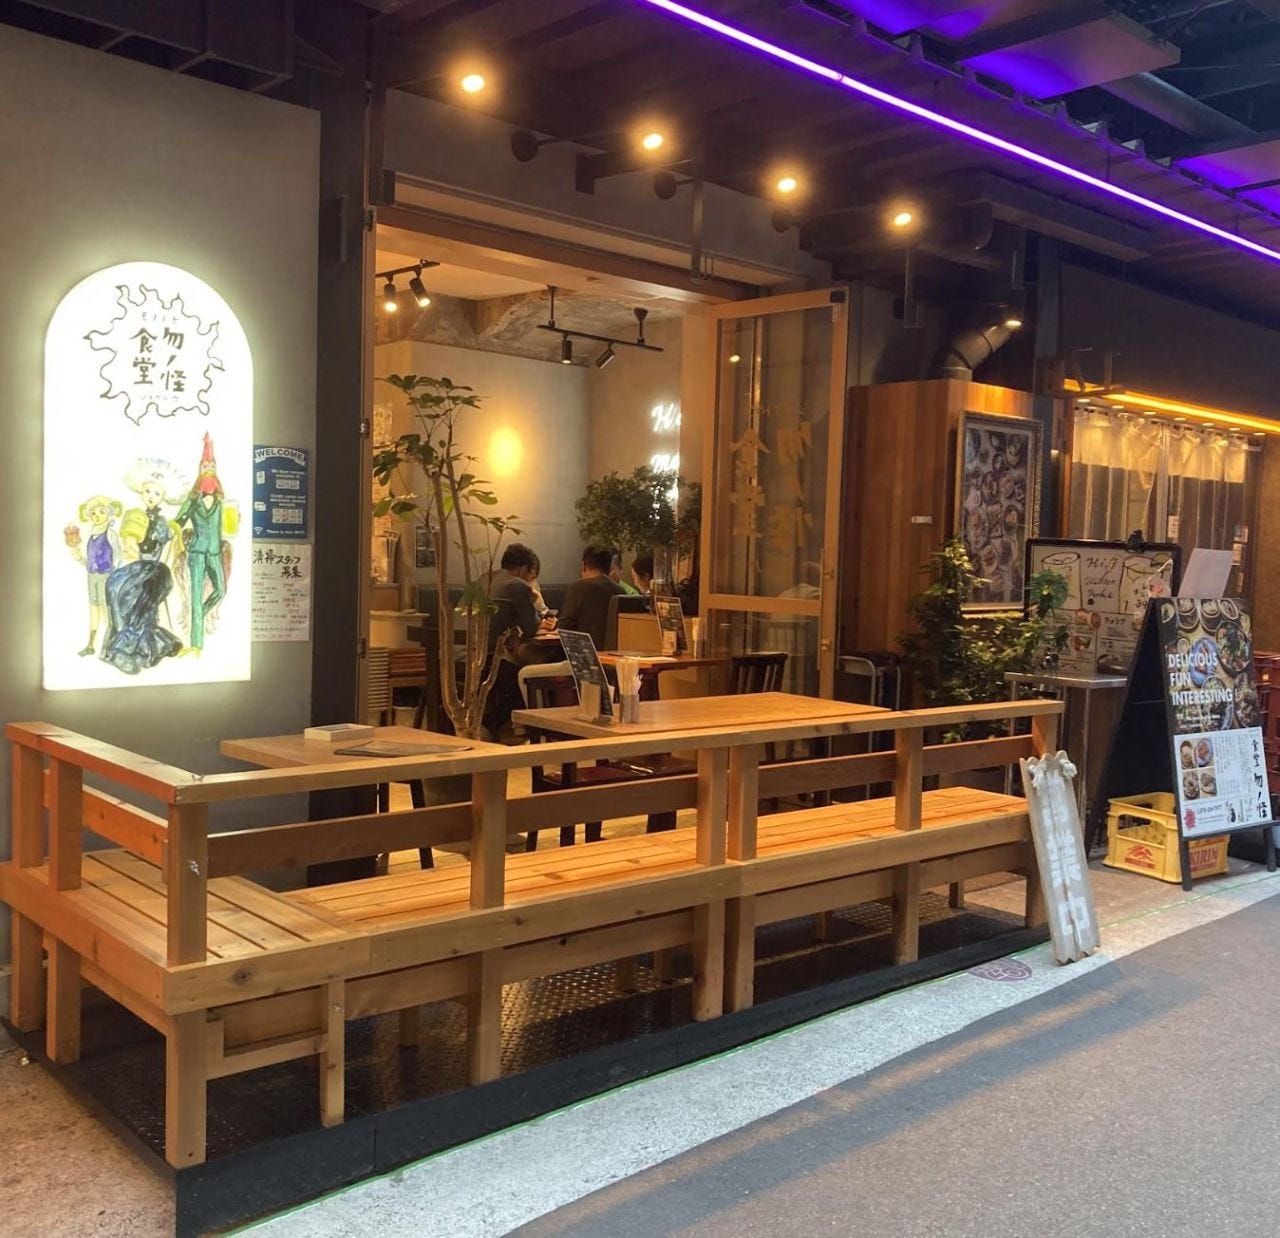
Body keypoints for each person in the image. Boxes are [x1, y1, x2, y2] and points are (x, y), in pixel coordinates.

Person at [560, 546, 624, 649]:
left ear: (583, 566)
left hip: (586, 653)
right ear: (609, 568)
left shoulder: (578, 588)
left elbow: (565, 626)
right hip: (615, 654)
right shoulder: (620, 591)